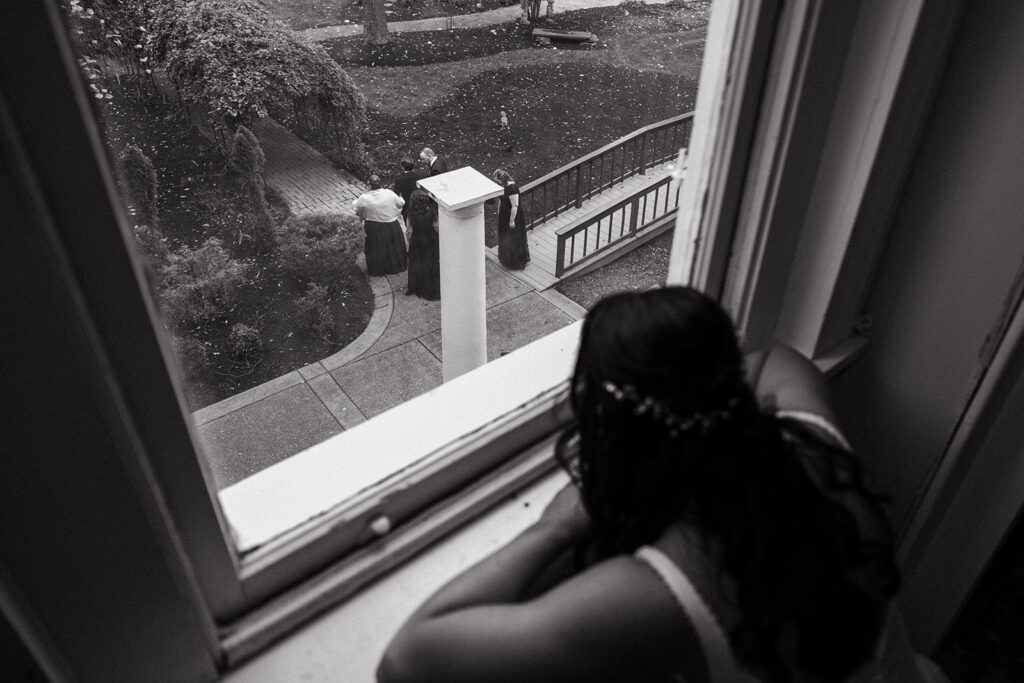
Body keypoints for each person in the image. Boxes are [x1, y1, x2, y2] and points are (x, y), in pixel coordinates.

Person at [379, 287, 930, 683]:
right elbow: (776, 359)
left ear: (614, 436)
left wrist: (552, 528)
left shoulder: (658, 593)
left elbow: (407, 661)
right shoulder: (812, 444)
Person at [353, 175, 406, 277]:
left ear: (369, 185)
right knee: (392, 247)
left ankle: (379, 269)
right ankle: (395, 266)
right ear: (380, 183)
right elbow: (400, 203)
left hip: (374, 227)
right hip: (391, 225)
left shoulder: (364, 198)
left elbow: (359, 211)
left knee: (376, 248)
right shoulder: (389, 193)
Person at [404, 189, 440, 301]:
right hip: (431, 240)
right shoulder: (433, 211)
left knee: (417, 264)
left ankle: (415, 286)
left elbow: (409, 231)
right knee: (431, 262)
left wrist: (411, 241)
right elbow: (437, 227)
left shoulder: (410, 214)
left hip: (417, 241)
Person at [493, 168, 529, 270]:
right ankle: (506, 259)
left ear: (501, 179)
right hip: (504, 214)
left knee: (513, 236)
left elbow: (515, 205)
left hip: (513, 215)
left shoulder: (512, 188)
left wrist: (512, 220)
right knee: (505, 236)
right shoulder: (502, 187)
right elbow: (501, 200)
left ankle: (515, 262)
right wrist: (499, 211)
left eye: (497, 181)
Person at [392, 156, 424, 224]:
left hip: (407, 207)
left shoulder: (399, 179)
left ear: (402, 167)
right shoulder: (420, 175)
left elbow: (395, 194)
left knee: (409, 225)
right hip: (420, 205)